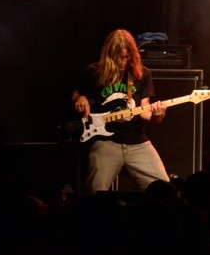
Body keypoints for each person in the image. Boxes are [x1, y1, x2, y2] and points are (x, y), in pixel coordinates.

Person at [71, 29, 169, 194]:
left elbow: (145, 111)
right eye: (120, 57)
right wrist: (80, 98)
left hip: (137, 141)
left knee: (165, 190)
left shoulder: (142, 74)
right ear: (109, 55)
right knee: (94, 194)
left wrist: (157, 116)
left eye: (127, 57)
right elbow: (77, 93)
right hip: (105, 143)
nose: (124, 62)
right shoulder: (93, 72)